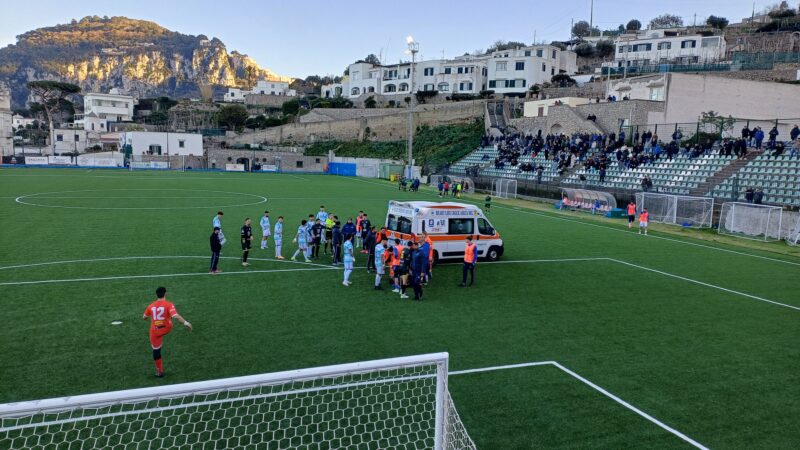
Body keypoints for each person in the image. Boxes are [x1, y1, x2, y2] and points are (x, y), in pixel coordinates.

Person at [143, 287, 192, 378]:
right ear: (165, 294)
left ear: (156, 295)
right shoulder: (169, 304)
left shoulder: (150, 306)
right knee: (168, 321)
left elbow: (144, 317)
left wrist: (147, 317)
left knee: (156, 350)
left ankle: (159, 371)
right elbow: (176, 316)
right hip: (167, 328)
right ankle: (165, 325)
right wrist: (186, 323)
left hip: (155, 331)